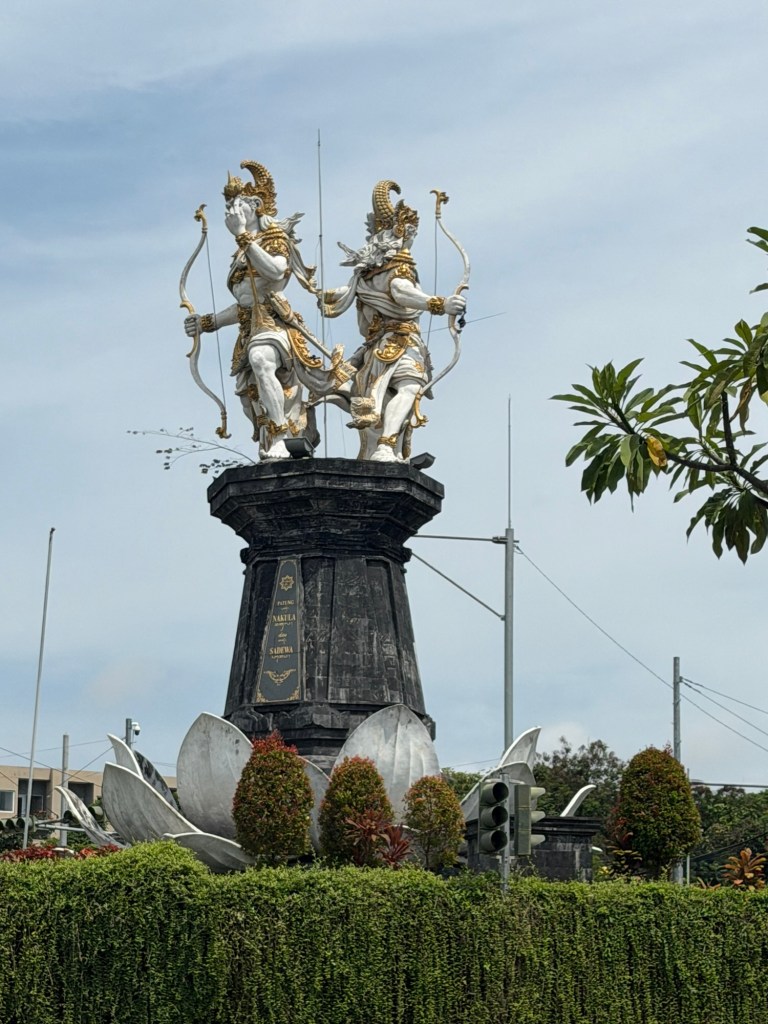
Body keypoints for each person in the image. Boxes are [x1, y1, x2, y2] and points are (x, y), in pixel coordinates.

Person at [184, 161, 325, 459]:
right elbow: (244, 303)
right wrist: (208, 322)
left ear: (256, 205)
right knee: (250, 397)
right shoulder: (242, 251)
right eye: (228, 206)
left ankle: (281, 435)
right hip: (249, 328)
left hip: (274, 323)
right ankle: (272, 436)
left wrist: (243, 236)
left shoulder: (273, 240)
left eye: (237, 204)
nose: (230, 211)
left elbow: (276, 271)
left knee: (261, 359)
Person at [317, 181, 466, 461]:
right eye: (411, 232)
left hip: (378, 348)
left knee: (384, 398)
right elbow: (401, 292)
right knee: (410, 387)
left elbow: (346, 293)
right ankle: (386, 445)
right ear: (400, 232)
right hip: (399, 344)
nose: (412, 238)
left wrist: (324, 294)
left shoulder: (365, 275)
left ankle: (387, 445)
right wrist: (440, 303)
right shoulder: (397, 268)